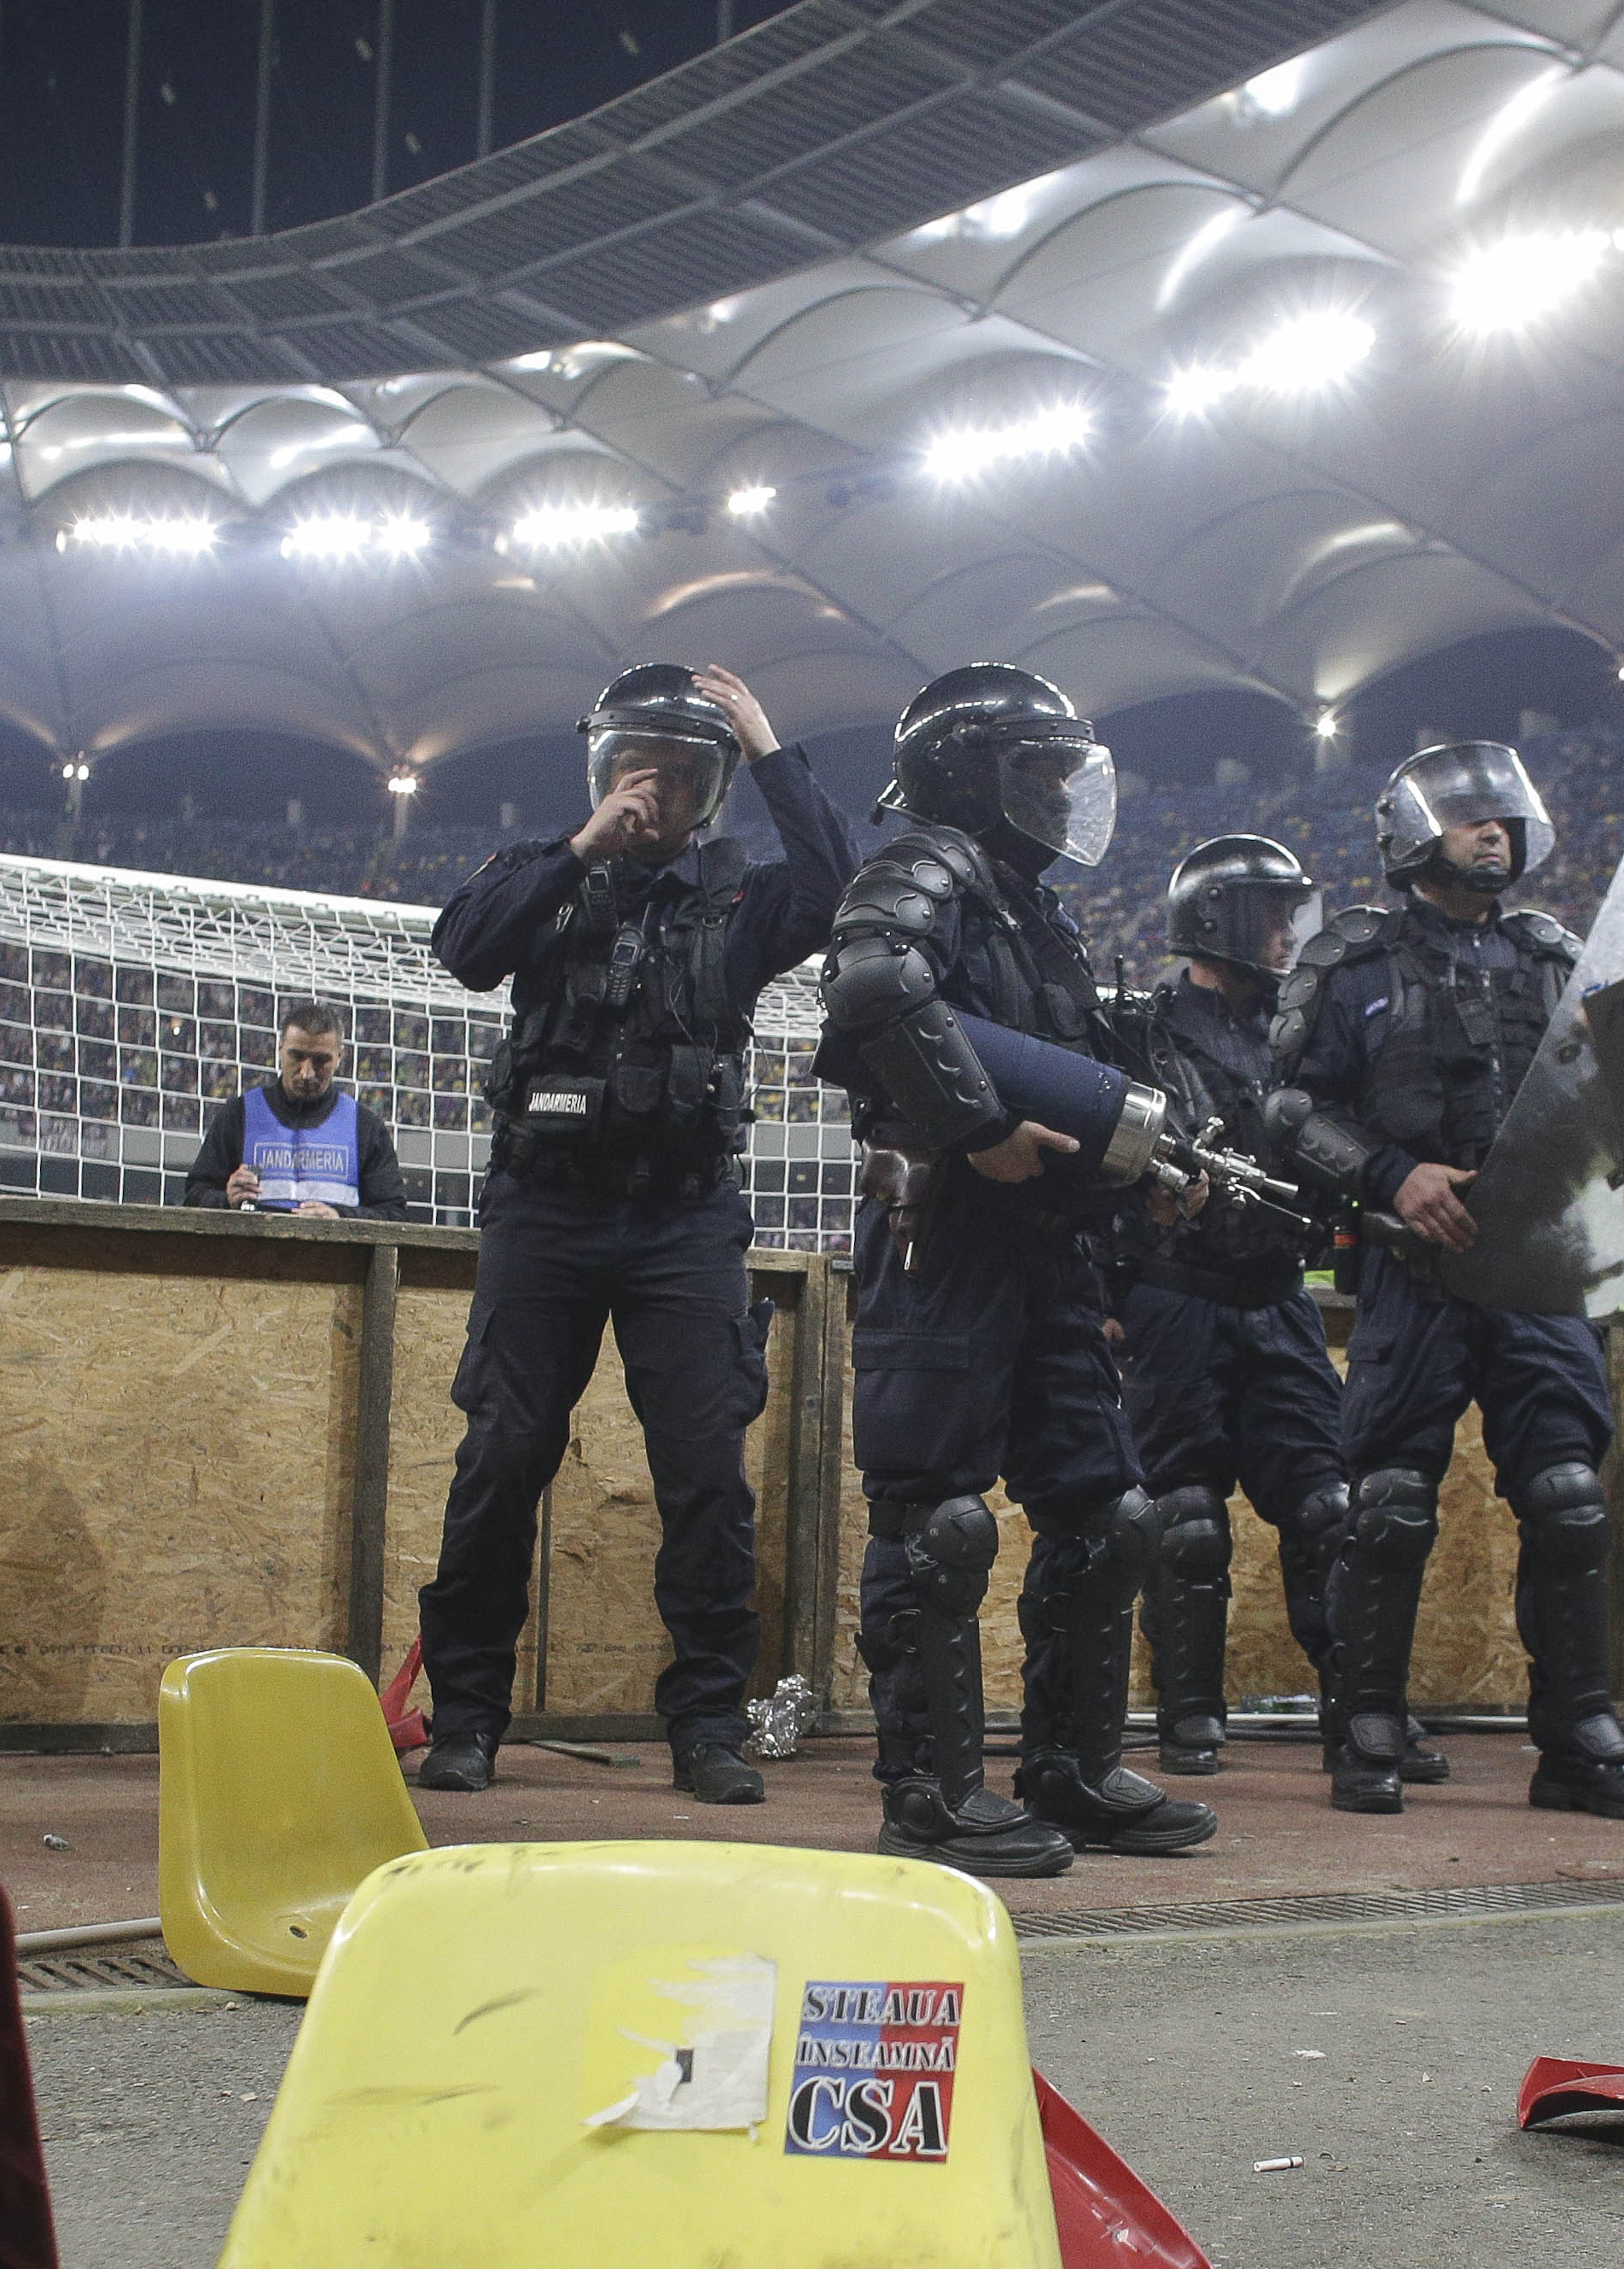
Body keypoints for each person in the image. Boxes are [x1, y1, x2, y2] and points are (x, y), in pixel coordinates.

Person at [410, 662, 851, 1804]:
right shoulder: (542, 875)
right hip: (543, 1210)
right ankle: (464, 1717)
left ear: (712, 791)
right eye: (634, 768)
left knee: (706, 1472)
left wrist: (767, 746)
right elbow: (462, 950)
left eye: (682, 773)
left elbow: (838, 889)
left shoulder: (744, 905)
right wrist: (583, 847)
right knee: (503, 1454)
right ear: (602, 773)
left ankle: (707, 1724)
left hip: (683, 1219)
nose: (653, 791)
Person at [819, 663, 1212, 1878]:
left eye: (1060, 770)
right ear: (968, 772)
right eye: (1033, 769)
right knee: (937, 1524)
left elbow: (1081, 1093)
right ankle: (931, 1795)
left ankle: (1072, 1770)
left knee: (1111, 1516)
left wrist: (1143, 1171)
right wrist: (977, 1126)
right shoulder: (927, 864)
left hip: (1049, 1248)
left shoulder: (1035, 913)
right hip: (941, 1236)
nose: (1054, 794)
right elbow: (873, 989)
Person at [1264, 742, 1624, 1823]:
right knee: (1390, 1506)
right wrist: (1395, 1176)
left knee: (1569, 1500)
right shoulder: (1347, 963)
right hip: (1416, 1273)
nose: (1494, 831)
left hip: (1539, 1274)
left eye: (1504, 817)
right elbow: (1289, 1109)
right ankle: (1366, 1731)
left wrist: (1617, 1054)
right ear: (1412, 835)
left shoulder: (1558, 963)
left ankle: (1580, 1740)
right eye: (1469, 817)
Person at [1110, 834, 1386, 1778]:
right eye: (1269, 912)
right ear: (1216, 919)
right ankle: (1191, 1719)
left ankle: (1362, 1715)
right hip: (1173, 1298)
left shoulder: (1305, 1031)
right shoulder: (1138, 1029)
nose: (1284, 932)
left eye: (1288, 912)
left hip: (1279, 1300)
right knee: (1186, 1518)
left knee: (1330, 1509)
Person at [183, 1004, 411, 1219]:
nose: (306, 1072)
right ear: (280, 1048)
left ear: (340, 1057)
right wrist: (227, 1201)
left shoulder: (365, 1127)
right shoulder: (238, 1115)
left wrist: (341, 1217)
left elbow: (393, 1213)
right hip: (252, 1259)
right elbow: (194, 1196)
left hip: (332, 1259)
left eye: (321, 1060)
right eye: (297, 1056)